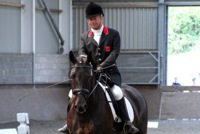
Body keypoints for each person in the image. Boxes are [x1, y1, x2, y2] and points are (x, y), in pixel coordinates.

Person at [58, 2, 139, 133]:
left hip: (109, 74)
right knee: (71, 94)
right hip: (90, 76)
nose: (92, 21)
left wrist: (102, 66)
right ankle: (68, 123)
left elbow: (114, 53)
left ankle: (127, 123)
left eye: (94, 18)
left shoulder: (113, 34)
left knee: (117, 92)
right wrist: (83, 61)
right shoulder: (84, 37)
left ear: (101, 17)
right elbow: (82, 52)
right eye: (90, 19)